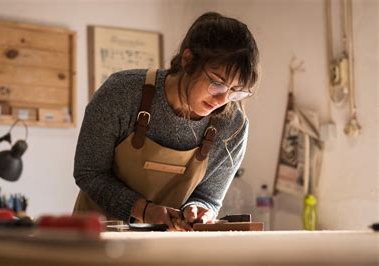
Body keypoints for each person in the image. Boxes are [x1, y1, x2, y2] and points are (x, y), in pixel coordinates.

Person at [73, 11, 259, 231]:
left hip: (166, 246)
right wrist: (144, 210)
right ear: (188, 60)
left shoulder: (232, 126)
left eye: (236, 91)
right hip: (97, 237)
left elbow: (209, 197)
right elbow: (89, 172)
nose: (223, 100)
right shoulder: (121, 94)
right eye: (217, 83)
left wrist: (199, 209)